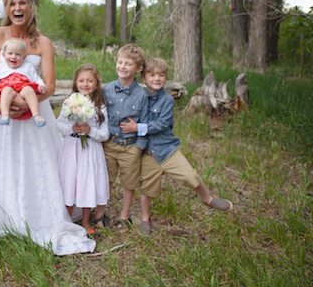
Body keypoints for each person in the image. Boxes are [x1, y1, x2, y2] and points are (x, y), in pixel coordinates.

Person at [0, 0, 96, 255]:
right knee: (0, 161)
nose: (18, 9)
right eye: (12, 4)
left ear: (31, 8)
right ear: (7, 9)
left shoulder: (42, 42)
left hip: (35, 113)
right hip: (1, 113)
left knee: (36, 163)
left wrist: (26, 105)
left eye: (22, 3)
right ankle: (2, 214)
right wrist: (5, 104)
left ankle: (37, 215)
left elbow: (51, 85)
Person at [120, 58, 233, 235]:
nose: (157, 79)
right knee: (147, 187)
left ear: (166, 78)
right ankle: (144, 218)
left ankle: (208, 198)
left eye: (161, 75)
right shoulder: (138, 97)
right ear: (143, 78)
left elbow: (162, 124)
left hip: (167, 150)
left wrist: (138, 128)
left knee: (190, 175)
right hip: (148, 153)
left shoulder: (167, 100)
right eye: (152, 75)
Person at [57, 64, 110, 235]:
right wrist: (72, 129)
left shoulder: (100, 105)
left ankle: (86, 222)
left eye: (90, 81)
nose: (85, 84)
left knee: (88, 183)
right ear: (75, 82)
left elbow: (105, 134)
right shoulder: (69, 101)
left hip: (90, 150)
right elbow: (59, 124)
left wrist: (90, 131)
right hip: (72, 149)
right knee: (69, 183)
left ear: (96, 83)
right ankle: (67, 221)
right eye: (81, 80)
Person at [102, 44, 149, 232]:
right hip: (109, 143)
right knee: (106, 179)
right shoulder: (106, 89)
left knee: (129, 182)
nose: (122, 66)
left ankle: (124, 215)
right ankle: (101, 213)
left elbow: (145, 122)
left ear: (138, 69)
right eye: (120, 62)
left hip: (130, 146)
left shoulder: (142, 95)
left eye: (128, 64)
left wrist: (139, 147)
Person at [0, 37, 47, 127]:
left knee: (28, 89)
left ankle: (36, 115)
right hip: (8, 90)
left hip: (22, 90)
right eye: (10, 53)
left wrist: (41, 85)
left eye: (18, 54)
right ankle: (5, 115)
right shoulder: (1, 67)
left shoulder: (28, 67)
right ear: (3, 55)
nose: (13, 57)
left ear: (24, 57)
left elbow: (36, 78)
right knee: (6, 90)